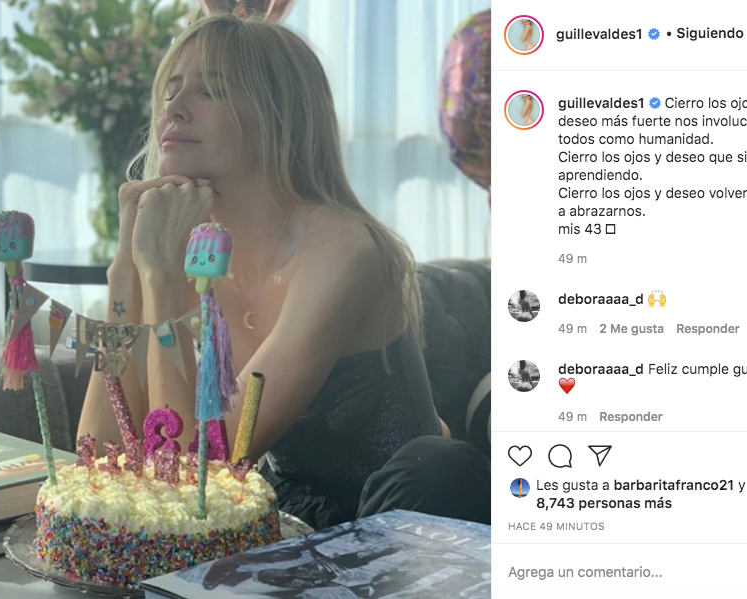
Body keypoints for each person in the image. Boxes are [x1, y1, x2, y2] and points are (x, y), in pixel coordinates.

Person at [76, 15, 489, 530]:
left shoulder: (342, 248)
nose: (174, 109)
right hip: (280, 510)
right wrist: (126, 269)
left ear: (278, 117)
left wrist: (158, 277)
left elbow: (204, 466)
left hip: (397, 522)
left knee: (442, 468)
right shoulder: (196, 245)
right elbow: (98, 455)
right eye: (171, 90)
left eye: (210, 91)